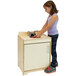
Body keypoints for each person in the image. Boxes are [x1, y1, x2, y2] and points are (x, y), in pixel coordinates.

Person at [36, 0, 59, 73]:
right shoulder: (50, 15)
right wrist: (39, 32)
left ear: (51, 7)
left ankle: (53, 66)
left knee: (53, 50)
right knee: (50, 50)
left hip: (54, 35)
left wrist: (40, 34)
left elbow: (48, 27)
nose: (45, 11)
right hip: (50, 35)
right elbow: (45, 25)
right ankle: (55, 62)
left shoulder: (55, 16)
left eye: (46, 9)